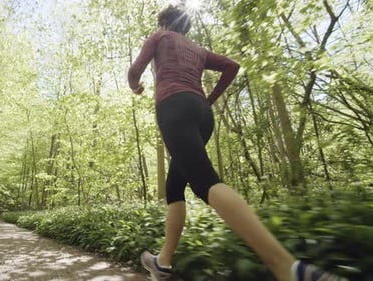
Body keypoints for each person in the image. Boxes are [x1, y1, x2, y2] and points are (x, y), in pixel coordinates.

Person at [127, 5, 348, 281]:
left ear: (164, 24)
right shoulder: (198, 49)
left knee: (204, 182)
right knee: (174, 186)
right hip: (202, 115)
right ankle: (163, 263)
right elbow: (232, 66)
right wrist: (209, 100)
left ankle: (288, 268)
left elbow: (134, 72)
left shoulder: (159, 37)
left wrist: (136, 87)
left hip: (174, 108)